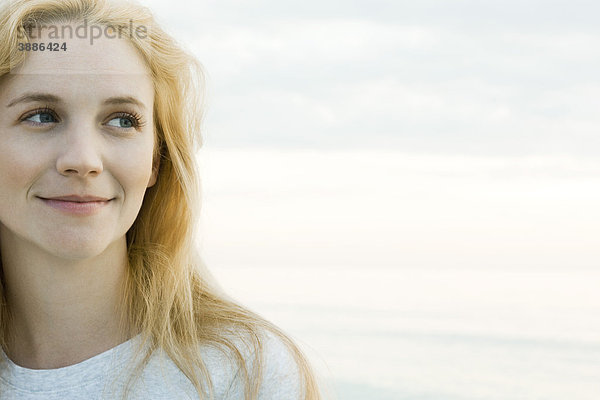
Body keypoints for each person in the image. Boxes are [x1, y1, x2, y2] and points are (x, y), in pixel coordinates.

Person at [0, 0, 323, 398]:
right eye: (42, 115)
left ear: (156, 159)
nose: (83, 160)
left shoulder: (245, 373)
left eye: (122, 120)